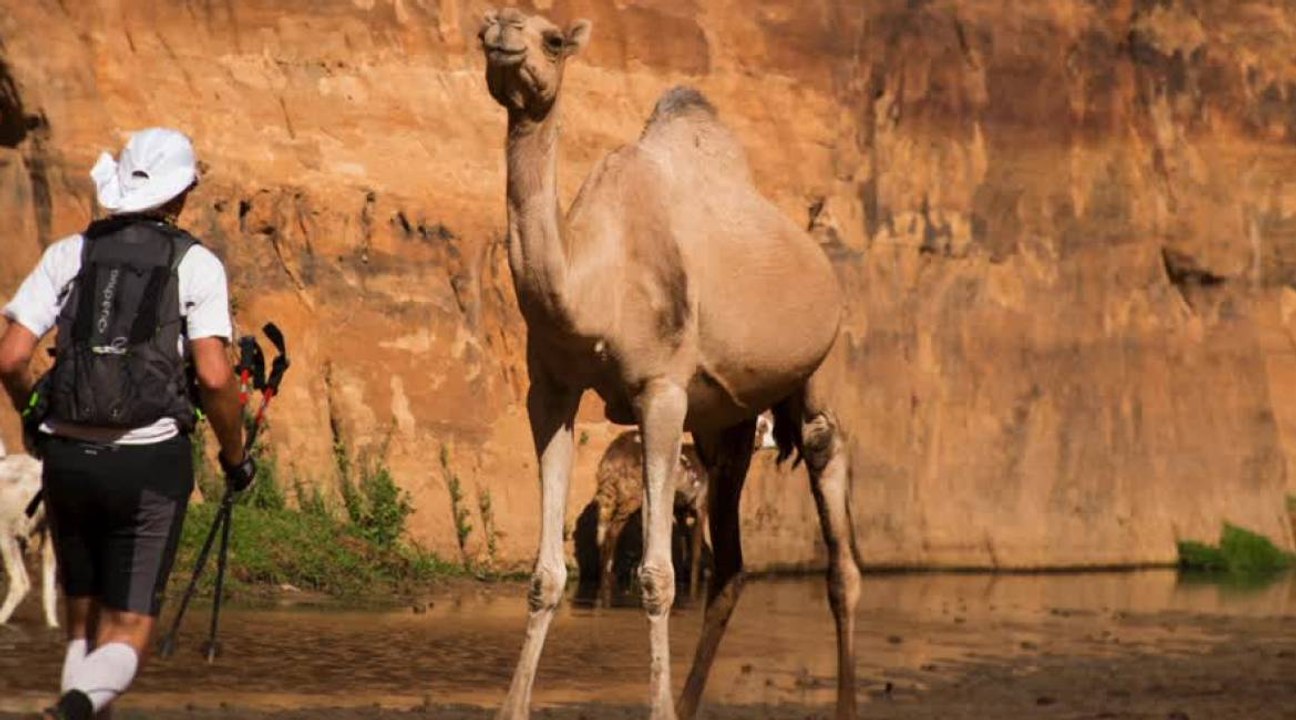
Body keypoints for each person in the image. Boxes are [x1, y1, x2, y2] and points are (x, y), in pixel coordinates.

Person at [0, 128, 256, 720]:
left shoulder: (71, 252)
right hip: (148, 464)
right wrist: (235, 456)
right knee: (130, 630)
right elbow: (216, 379)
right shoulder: (196, 264)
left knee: (82, 620)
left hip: (65, 460)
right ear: (183, 194)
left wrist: (36, 414)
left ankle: (77, 703)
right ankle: (72, 707)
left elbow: (11, 355)